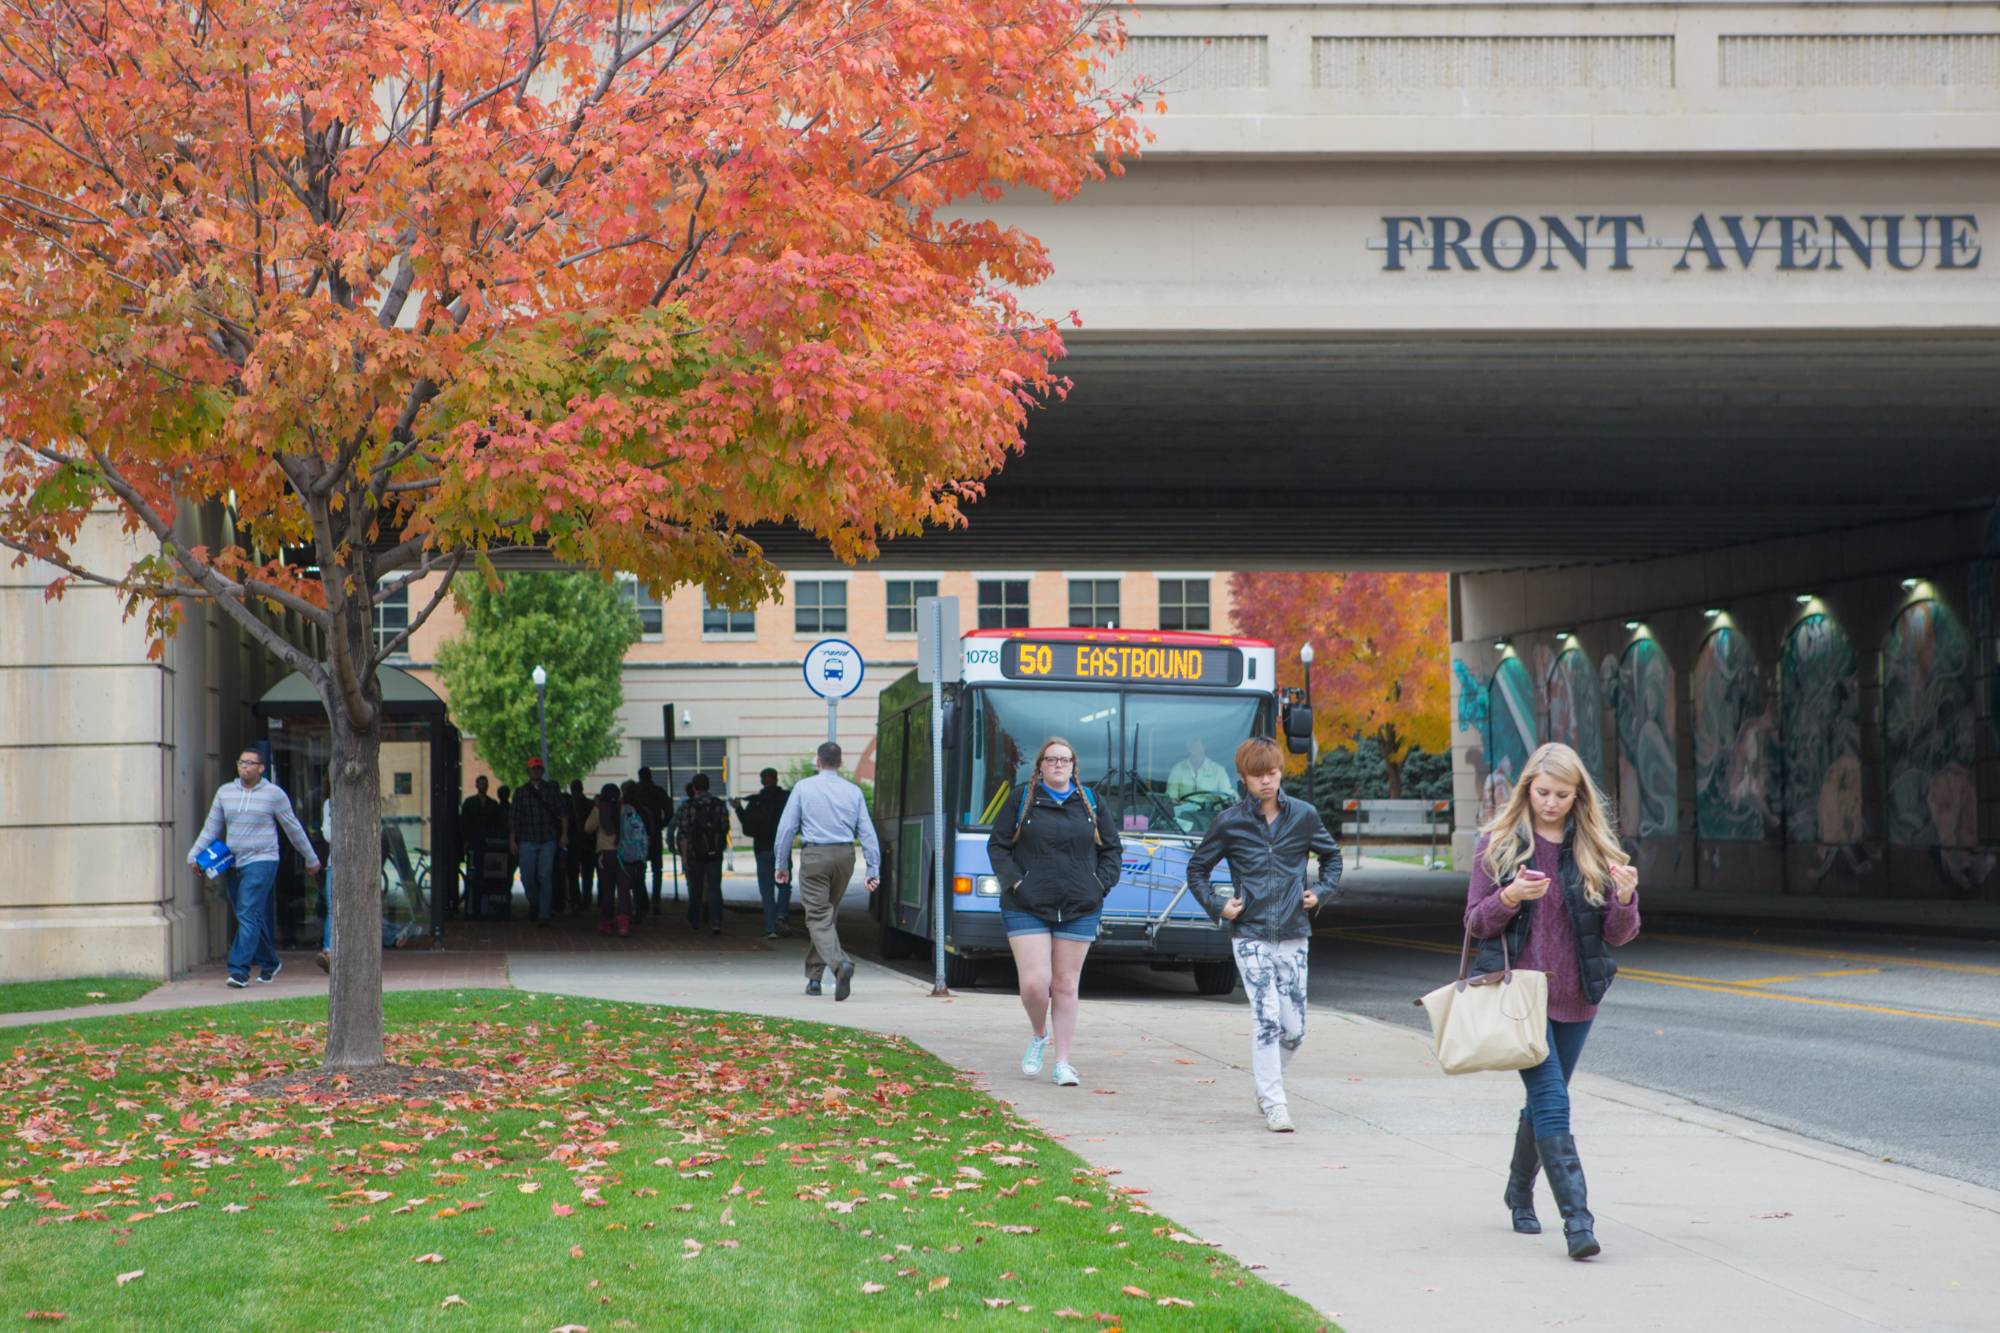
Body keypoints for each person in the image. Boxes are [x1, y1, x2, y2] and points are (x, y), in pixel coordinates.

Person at [1465, 741, 1641, 1261]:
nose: (1551, 803)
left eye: (1562, 794)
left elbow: (1619, 933)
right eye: (1543, 792)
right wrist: (1509, 897)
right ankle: (1578, 1222)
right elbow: (1475, 922)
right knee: (1553, 1101)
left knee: (1544, 1101)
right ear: (1527, 789)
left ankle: (1519, 1192)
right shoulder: (1496, 844)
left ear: (1577, 794)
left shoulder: (1595, 847)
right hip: (1520, 995)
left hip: (1578, 994)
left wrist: (1626, 897)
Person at [1185, 737, 1342, 1133]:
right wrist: (1218, 905)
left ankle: (1266, 1085)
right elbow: (1197, 869)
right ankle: (1275, 1102)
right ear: (1243, 778)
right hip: (1250, 933)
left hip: (1293, 933)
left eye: (1272, 774)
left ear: (1281, 772)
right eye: (1257, 776)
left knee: (1295, 1031)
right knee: (1267, 1018)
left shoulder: (1304, 816)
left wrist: (1319, 893)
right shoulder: (1229, 822)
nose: (1266, 782)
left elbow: (1332, 857)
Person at [985, 736, 1121, 1086]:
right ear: (1041, 766)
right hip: (1026, 903)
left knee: (1064, 984)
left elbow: (1112, 851)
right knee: (1035, 983)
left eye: (1065, 760)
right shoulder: (1023, 799)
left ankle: (1062, 1061)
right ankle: (1038, 1034)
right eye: (1051, 759)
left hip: (1079, 904)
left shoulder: (1092, 802)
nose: (1058, 765)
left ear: (1074, 766)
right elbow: (998, 846)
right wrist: (1016, 883)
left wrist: (1098, 885)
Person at [188, 746, 321, 988]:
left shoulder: (274, 794)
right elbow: (212, 827)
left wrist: (310, 858)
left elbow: (293, 828)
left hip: (263, 859)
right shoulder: (225, 793)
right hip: (232, 861)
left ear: (261, 768)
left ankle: (238, 970)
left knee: (248, 912)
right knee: (248, 915)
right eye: (241, 762)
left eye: (250, 763)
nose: (244, 767)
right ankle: (270, 962)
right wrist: (194, 855)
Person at [773, 742, 880, 1000]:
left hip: (815, 856)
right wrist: (872, 867)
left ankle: (840, 964)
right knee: (826, 918)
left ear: (818, 762)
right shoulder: (853, 791)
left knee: (818, 918)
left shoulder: (803, 788)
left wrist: (781, 863)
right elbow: (867, 831)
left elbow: (786, 829)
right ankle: (814, 978)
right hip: (844, 856)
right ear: (840, 764)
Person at [315, 790, 417, 972]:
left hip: (360, 864)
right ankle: (329, 951)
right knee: (333, 908)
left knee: (362, 908)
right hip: (337, 863)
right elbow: (328, 834)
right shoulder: (329, 804)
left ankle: (390, 936)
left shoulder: (363, 800)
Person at [732, 767, 792, 939]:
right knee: (784, 885)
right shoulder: (786, 798)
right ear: (776, 778)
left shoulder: (756, 801)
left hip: (762, 849)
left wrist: (738, 809)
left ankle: (771, 928)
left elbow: (748, 827)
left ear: (762, 781)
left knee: (766, 890)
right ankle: (781, 914)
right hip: (782, 848)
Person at [510, 757, 568, 924]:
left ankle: (544, 914)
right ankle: (536, 903)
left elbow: (563, 813)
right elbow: (514, 817)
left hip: (547, 839)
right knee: (527, 877)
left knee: (545, 876)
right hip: (527, 839)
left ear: (542, 771)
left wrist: (564, 835)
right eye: (533, 769)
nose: (536, 771)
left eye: (538, 769)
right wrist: (512, 840)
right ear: (528, 772)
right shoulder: (520, 793)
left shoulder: (551, 790)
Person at [677, 773, 732, 934]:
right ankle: (716, 921)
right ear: (708, 786)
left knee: (696, 888)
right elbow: (725, 827)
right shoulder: (719, 804)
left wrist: (685, 856)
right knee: (714, 888)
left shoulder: (688, 806)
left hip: (695, 854)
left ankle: (695, 920)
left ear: (694, 787)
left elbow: (683, 833)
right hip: (714, 854)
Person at [583, 783, 634, 937]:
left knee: (607, 890)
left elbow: (587, 828)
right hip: (625, 855)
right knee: (624, 890)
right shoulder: (627, 809)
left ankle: (607, 923)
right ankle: (624, 925)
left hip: (606, 855)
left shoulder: (598, 810)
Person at [630, 766, 672, 911]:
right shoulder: (658, 791)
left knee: (638, 868)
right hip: (654, 835)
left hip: (636, 836)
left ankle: (640, 900)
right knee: (657, 869)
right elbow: (669, 811)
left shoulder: (634, 792)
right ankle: (655, 901)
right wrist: (661, 825)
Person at [1166, 737, 1234, 802]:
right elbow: (1171, 796)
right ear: (1187, 749)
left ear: (1204, 747)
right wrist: (1175, 801)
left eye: (1197, 746)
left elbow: (1228, 795)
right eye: (1191, 746)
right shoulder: (1177, 769)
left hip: (1210, 812)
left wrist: (1234, 799)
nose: (1194, 750)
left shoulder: (1218, 770)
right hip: (1184, 812)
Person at [566, 778, 595, 912]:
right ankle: (586, 898)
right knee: (587, 873)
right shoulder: (590, 804)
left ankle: (575, 900)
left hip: (572, 844)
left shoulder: (567, 805)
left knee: (573, 873)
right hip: (588, 844)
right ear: (582, 789)